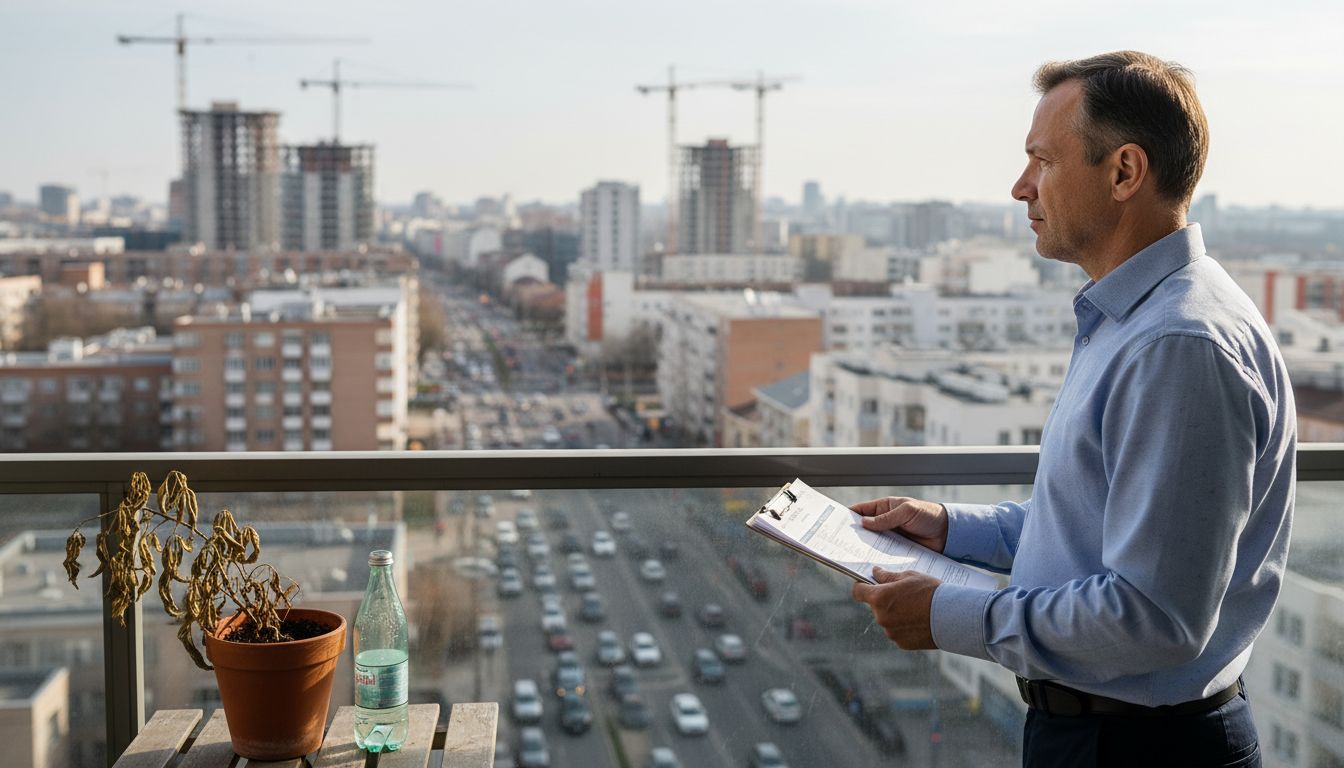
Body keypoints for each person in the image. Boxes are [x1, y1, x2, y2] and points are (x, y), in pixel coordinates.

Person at [850, 51, 1295, 767]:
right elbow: (1106, 523)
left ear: (1124, 172)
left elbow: (1155, 619)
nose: (1021, 186)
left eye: (1042, 161)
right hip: (1109, 735)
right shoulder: (1135, 321)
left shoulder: (1177, 345)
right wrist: (950, 529)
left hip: (1139, 747)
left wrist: (949, 617)